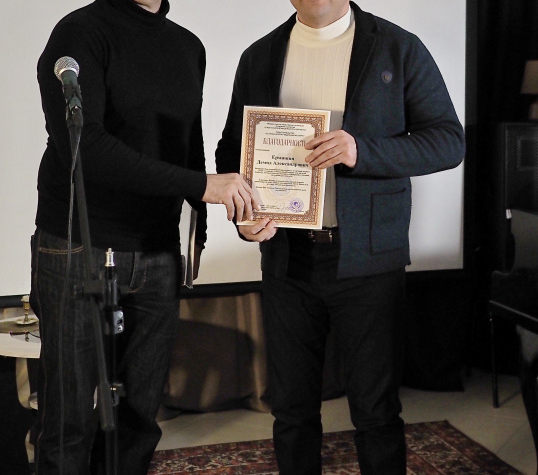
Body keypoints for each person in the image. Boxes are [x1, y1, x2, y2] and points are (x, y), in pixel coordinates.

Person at [215, 1, 465, 473]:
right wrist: (244, 219)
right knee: (291, 411)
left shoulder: (398, 47)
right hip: (287, 258)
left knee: (375, 411)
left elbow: (449, 141)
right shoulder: (259, 56)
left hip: (368, 258)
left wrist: (360, 151)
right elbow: (233, 149)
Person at [30, 0, 256, 473]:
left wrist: (201, 228)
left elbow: (188, 145)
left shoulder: (187, 46)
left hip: (157, 250)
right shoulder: (80, 32)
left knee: (139, 417)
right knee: (69, 418)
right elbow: (84, 146)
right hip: (79, 245)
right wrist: (201, 186)